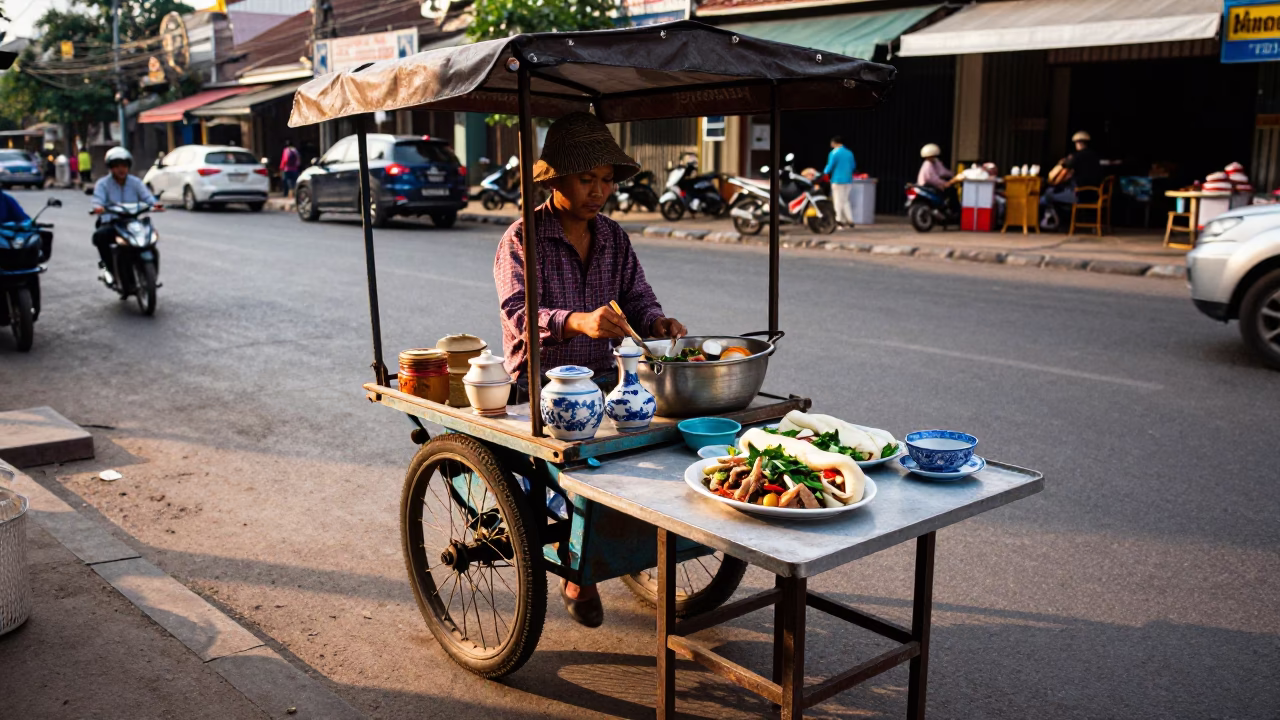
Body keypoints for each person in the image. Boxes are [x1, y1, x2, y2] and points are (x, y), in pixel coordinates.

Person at [494, 112, 687, 628]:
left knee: (653, 456)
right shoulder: (521, 238)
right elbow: (517, 315)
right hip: (540, 387)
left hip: (610, 380)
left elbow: (637, 296)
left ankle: (622, 549)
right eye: (587, 179)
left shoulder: (614, 238)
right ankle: (578, 573)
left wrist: (657, 320)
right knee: (578, 482)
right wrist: (577, 321)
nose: (599, 191)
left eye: (606, 180)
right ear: (555, 178)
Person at [91, 147, 161, 281]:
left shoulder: (136, 182)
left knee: (151, 239)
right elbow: (97, 201)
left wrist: (155, 205)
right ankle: (109, 270)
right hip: (112, 223)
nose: (121, 169)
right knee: (100, 236)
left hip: (133, 222)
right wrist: (98, 208)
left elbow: (148, 198)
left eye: (123, 165)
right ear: (111, 168)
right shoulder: (103, 184)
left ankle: (150, 276)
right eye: (116, 166)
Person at [1041, 131, 1101, 227]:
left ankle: (1050, 223)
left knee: (1048, 195)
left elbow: (1063, 167)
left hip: (1080, 194)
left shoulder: (1076, 156)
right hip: (1094, 194)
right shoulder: (1095, 156)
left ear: (1078, 143)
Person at [823, 135, 857, 227]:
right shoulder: (849, 153)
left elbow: (829, 166)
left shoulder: (834, 153)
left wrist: (824, 173)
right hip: (848, 180)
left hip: (837, 180)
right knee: (845, 200)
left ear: (835, 143)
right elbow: (853, 166)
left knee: (838, 201)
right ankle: (850, 220)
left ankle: (839, 221)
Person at [917, 143, 958, 208]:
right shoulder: (928, 164)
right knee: (951, 190)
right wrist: (945, 183)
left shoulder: (935, 162)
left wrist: (953, 174)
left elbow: (943, 172)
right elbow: (932, 178)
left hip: (933, 184)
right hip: (928, 185)